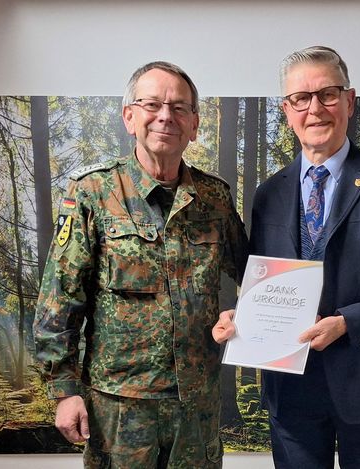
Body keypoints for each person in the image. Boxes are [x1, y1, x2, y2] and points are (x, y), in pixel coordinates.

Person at [213, 46, 360, 468]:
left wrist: (347, 323)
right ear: (287, 109)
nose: (315, 108)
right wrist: (238, 318)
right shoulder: (269, 194)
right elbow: (263, 282)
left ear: (349, 101)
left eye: (328, 94)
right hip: (290, 388)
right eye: (301, 98)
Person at [34, 61, 248, 468]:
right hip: (120, 406)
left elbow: (253, 274)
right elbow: (58, 300)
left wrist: (244, 316)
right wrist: (64, 391)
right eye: (152, 104)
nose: (166, 116)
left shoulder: (214, 198)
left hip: (196, 405)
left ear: (194, 124)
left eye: (179, 107)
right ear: (129, 117)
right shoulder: (92, 193)